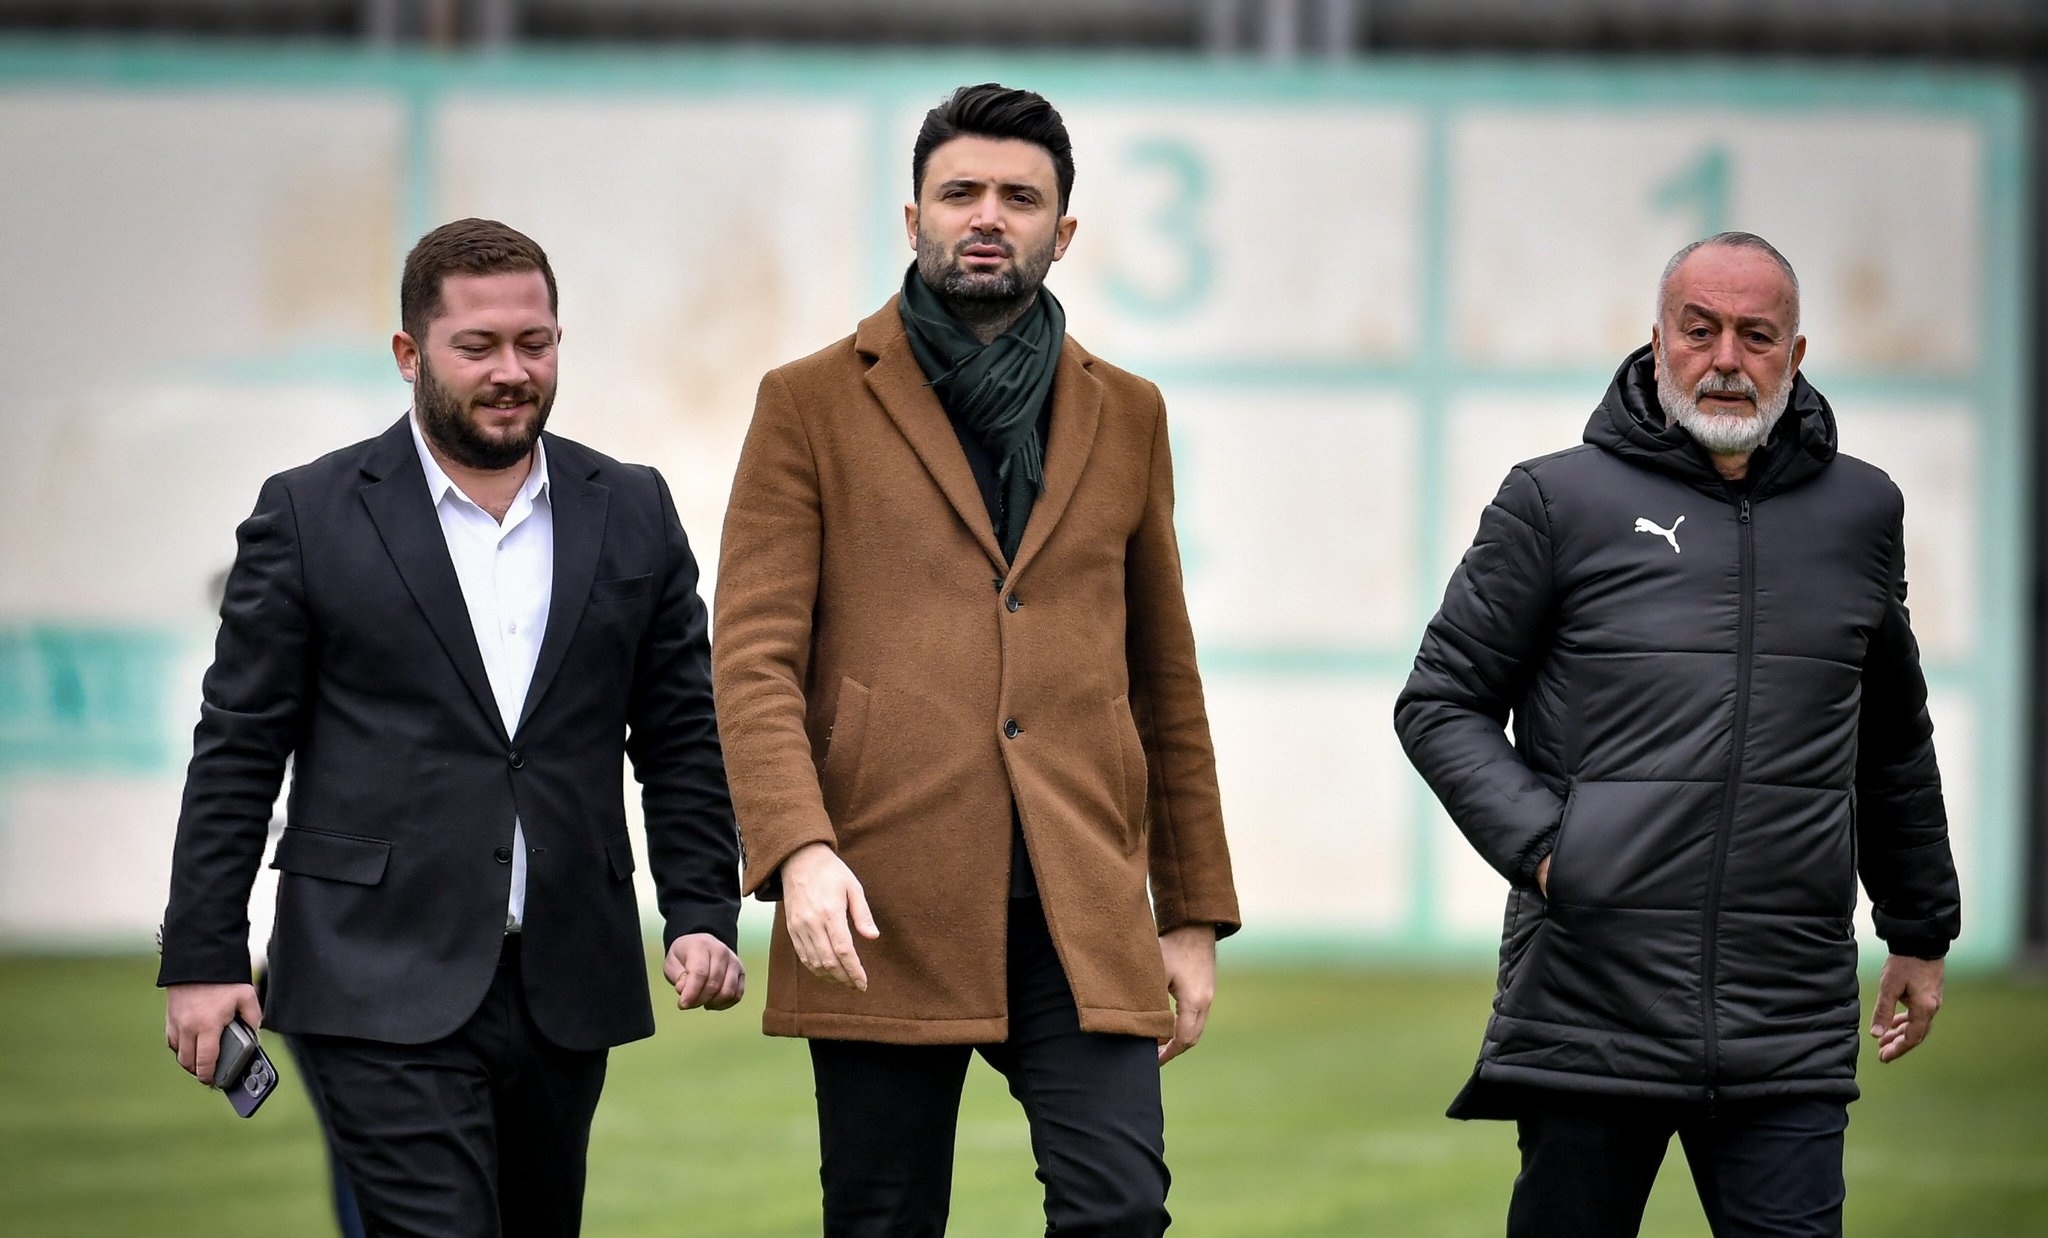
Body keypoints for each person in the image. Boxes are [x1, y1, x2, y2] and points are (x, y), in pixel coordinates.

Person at [712, 83, 1241, 1238]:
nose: (987, 216)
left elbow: (1163, 673)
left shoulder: (1127, 411)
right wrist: (798, 848)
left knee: (1119, 1209)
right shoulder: (806, 402)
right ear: (914, 219)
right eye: (960, 193)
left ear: (1064, 229)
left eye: (1018, 196)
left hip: (1078, 893)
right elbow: (751, 658)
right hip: (878, 894)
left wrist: (1192, 908)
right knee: (882, 1216)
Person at [158, 217, 744, 1238]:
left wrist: (701, 907)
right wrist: (205, 953)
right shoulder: (308, 513)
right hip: (369, 972)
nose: (512, 370)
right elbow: (238, 747)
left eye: (534, 342)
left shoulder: (633, 508)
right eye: (478, 346)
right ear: (409, 353)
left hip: (566, 975)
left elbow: (681, 733)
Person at [1394, 231, 1962, 1237]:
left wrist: (1918, 927)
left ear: (1795, 352)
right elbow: (1440, 701)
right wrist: (1551, 852)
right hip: (1589, 1001)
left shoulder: (1862, 510)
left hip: (1786, 1010)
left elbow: (1888, 735)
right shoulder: (1554, 500)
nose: (1725, 359)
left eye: (1755, 336)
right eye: (1698, 331)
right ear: (1656, 342)